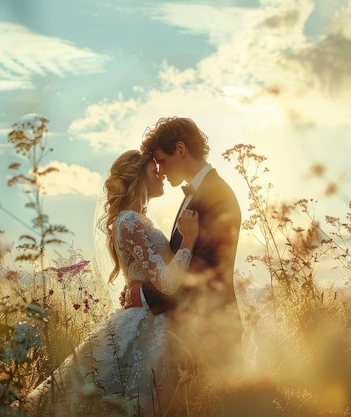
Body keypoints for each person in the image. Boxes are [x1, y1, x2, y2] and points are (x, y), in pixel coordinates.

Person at [24, 150, 199, 417]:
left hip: (148, 314)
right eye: (155, 171)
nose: (162, 174)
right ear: (138, 178)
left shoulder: (135, 220)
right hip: (147, 323)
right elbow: (165, 281)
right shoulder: (129, 221)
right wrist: (189, 240)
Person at [124, 116, 242, 377]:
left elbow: (206, 273)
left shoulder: (217, 195)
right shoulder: (193, 196)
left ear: (180, 149)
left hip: (212, 334)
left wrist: (146, 294)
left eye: (162, 161)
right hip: (188, 334)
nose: (161, 172)